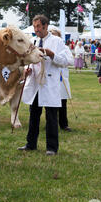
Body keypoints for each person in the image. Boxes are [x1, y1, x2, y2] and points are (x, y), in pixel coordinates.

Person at [17, 15, 69, 155]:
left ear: (46, 26)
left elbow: (66, 61)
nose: (36, 29)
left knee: (51, 117)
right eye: (34, 27)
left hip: (49, 83)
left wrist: (52, 55)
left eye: (38, 26)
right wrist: (27, 69)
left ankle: (51, 148)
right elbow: (28, 59)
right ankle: (30, 144)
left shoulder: (57, 41)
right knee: (33, 115)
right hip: (35, 83)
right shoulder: (32, 41)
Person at [50, 29, 74, 132]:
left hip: (61, 78)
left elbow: (71, 61)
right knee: (50, 103)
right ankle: (50, 123)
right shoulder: (47, 47)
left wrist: (59, 61)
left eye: (55, 36)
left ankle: (63, 124)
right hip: (50, 79)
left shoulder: (65, 48)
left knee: (62, 102)